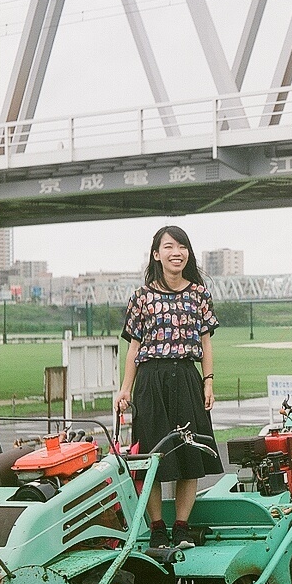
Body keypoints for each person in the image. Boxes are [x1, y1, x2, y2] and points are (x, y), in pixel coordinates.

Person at [116, 225, 223, 548]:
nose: (176, 253)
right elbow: (134, 348)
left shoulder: (199, 294)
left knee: (189, 454)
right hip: (151, 380)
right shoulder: (142, 296)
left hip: (188, 378)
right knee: (152, 456)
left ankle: (181, 527)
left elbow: (206, 344)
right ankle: (158, 528)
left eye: (182, 247)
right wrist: (125, 390)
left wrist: (208, 383)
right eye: (169, 247)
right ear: (156, 254)